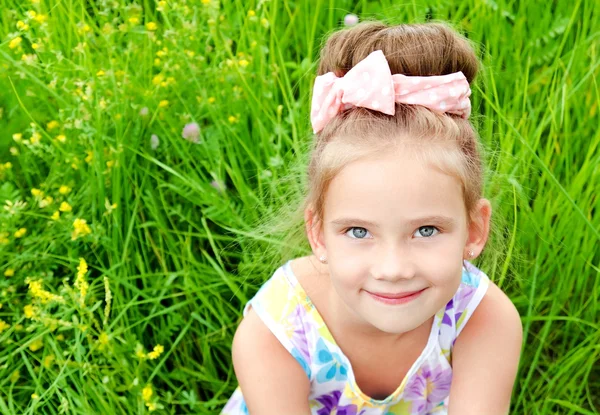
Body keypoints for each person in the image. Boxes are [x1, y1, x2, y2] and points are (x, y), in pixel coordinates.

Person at [221, 19, 523, 415]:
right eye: (359, 231)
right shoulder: (276, 332)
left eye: (426, 230)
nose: (393, 269)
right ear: (318, 234)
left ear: (475, 229)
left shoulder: (483, 319)